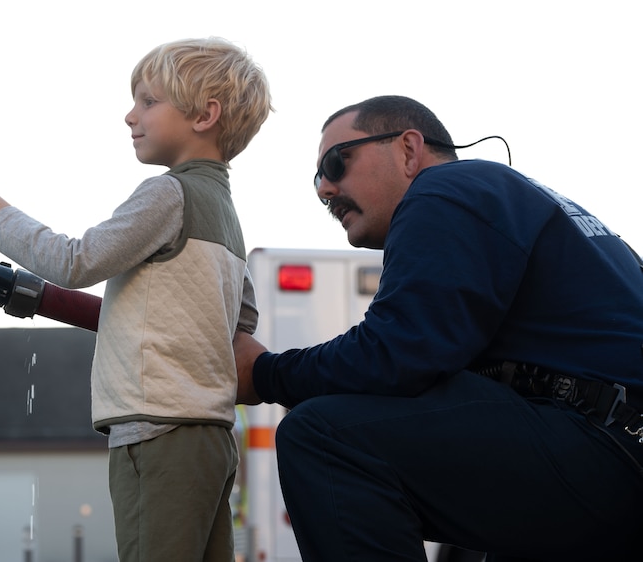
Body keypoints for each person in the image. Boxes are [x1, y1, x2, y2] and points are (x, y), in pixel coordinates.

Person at [234, 95, 643, 561]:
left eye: (337, 161)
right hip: (605, 443)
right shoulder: (515, 201)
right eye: (318, 178)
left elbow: (398, 352)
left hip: (604, 447)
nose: (325, 188)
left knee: (323, 434)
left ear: (409, 149)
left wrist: (264, 373)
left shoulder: (443, 189)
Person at [0, 37, 273, 562]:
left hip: (158, 430)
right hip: (211, 437)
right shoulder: (225, 213)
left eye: (149, 101)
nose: (130, 115)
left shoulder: (167, 193)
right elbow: (241, 318)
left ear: (205, 115)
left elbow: (78, 261)